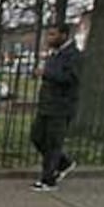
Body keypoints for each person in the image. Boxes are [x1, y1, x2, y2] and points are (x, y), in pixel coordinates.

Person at [30, 23, 80, 191]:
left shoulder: (73, 55)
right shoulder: (54, 54)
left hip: (61, 106)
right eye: (48, 34)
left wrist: (46, 73)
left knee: (53, 143)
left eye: (53, 35)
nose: (49, 38)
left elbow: (70, 79)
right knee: (37, 137)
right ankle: (64, 162)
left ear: (64, 35)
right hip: (46, 105)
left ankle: (48, 179)